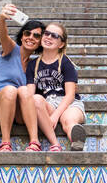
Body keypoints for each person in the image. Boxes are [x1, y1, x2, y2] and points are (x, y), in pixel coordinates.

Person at [0, 3, 44, 152]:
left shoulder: (35, 65)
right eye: (27, 33)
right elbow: (3, 35)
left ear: (40, 41)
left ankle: (34, 142)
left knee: (23, 90)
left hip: (17, 110)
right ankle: (5, 143)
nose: (31, 37)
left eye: (36, 35)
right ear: (21, 37)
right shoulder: (11, 49)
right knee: (10, 90)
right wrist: (2, 19)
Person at [28, 21, 88, 152]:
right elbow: (29, 94)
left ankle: (77, 140)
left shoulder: (66, 63)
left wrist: (55, 116)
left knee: (69, 120)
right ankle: (55, 144)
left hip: (69, 103)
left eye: (54, 35)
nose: (48, 37)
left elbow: (70, 95)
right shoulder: (32, 65)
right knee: (36, 99)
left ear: (61, 44)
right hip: (48, 103)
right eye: (46, 33)